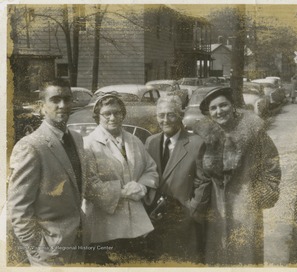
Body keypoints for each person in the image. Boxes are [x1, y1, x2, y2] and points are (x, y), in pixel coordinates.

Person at [193, 86, 281, 266]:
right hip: (215, 207)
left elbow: (271, 163)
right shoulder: (204, 137)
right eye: (214, 108)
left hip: (247, 203)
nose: (219, 111)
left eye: (223, 105)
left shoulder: (253, 131)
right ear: (209, 113)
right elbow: (199, 173)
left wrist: (263, 193)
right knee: (218, 255)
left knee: (245, 255)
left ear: (232, 106)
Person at [8, 78, 87, 266]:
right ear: (42, 106)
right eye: (55, 99)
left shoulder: (77, 139)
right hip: (49, 253)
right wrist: (38, 248)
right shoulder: (31, 146)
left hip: (77, 244)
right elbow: (18, 210)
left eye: (67, 99)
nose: (63, 105)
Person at [82, 93, 158, 265]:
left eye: (117, 113)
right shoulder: (89, 144)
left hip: (136, 225)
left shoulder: (134, 140)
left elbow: (150, 169)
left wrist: (142, 186)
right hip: (105, 226)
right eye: (107, 113)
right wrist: (122, 192)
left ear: (123, 114)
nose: (113, 117)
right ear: (97, 116)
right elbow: (89, 184)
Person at [145, 95, 211, 263]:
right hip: (155, 222)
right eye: (161, 115)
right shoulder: (150, 142)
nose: (165, 120)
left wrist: (191, 212)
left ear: (181, 115)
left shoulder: (196, 143)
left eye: (171, 114)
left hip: (184, 223)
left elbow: (203, 182)